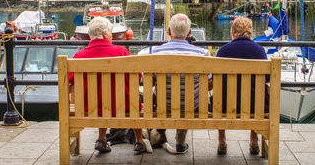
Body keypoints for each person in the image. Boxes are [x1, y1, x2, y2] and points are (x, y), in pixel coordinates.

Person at [69, 17, 151, 154]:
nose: (112, 36)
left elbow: (69, 81)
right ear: (106, 35)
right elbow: (137, 78)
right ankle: (139, 141)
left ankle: (101, 139)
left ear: (90, 36)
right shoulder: (122, 53)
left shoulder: (79, 56)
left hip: (89, 106)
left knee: (101, 96)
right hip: (123, 105)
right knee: (132, 101)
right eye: (111, 33)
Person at [152, 13, 209, 154]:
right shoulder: (202, 53)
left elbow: (152, 81)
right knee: (188, 95)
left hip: (163, 106)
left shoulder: (155, 52)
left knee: (162, 92)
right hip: (192, 106)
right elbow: (209, 82)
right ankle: (180, 141)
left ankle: (158, 133)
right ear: (189, 32)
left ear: (169, 32)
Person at [216, 17, 268, 156]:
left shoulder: (223, 51)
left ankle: (222, 140)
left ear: (233, 32)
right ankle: (254, 139)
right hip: (255, 107)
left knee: (221, 95)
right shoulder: (260, 51)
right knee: (255, 95)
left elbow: (215, 80)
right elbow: (267, 79)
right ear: (251, 33)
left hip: (225, 106)